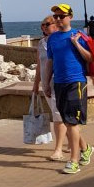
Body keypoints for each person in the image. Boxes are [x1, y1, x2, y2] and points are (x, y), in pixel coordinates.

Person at [46, 4, 94, 175]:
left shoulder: (79, 35)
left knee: (72, 122)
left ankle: (73, 161)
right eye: (55, 16)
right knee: (67, 121)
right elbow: (50, 62)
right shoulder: (52, 39)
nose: (58, 19)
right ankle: (86, 149)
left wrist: (76, 44)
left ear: (70, 17)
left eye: (61, 16)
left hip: (76, 82)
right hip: (59, 83)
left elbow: (91, 58)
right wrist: (46, 83)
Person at [32, 16, 66, 161]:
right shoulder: (41, 43)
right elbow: (40, 65)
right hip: (46, 85)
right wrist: (36, 84)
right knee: (60, 115)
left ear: (56, 25)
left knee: (58, 116)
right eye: (42, 25)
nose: (44, 27)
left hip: (59, 83)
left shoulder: (61, 40)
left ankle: (58, 150)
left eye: (47, 24)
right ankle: (81, 145)